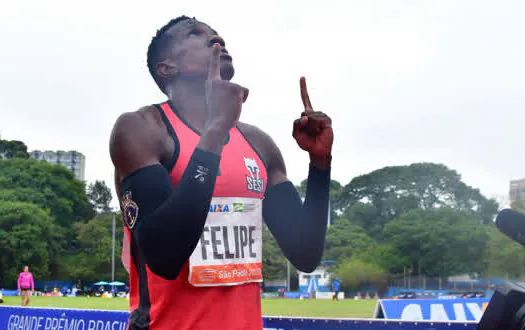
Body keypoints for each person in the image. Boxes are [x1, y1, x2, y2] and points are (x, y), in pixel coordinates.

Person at [110, 15, 333, 330]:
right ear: (166, 67)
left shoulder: (259, 144)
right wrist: (215, 131)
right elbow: (164, 257)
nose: (216, 39)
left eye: (216, 33)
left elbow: (305, 253)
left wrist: (320, 164)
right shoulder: (142, 129)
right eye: (195, 34)